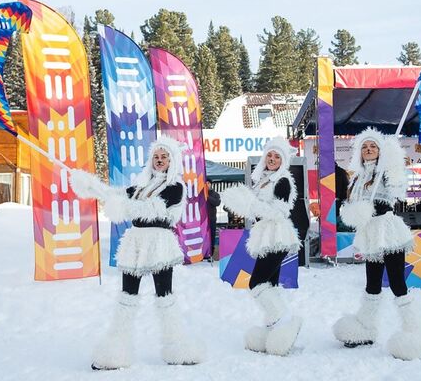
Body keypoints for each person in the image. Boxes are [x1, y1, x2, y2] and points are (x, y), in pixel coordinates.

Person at [69, 135, 203, 369]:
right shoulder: (142, 186)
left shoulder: (176, 186)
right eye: (156, 157)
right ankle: (115, 352)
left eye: (164, 157)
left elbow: (153, 210)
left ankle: (178, 347)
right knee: (126, 297)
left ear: (172, 160)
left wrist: (123, 207)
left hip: (160, 244)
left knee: (165, 297)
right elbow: (117, 195)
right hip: (135, 244)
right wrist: (91, 186)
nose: (159, 160)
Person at [332, 128, 421, 360]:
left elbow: (398, 190)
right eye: (365, 147)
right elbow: (351, 204)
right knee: (372, 283)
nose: (368, 150)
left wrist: (393, 164)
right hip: (370, 234)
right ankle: (365, 327)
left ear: (379, 150)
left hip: (388, 230)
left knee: (397, 282)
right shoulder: (357, 177)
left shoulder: (385, 171)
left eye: (373, 146)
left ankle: (413, 333)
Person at [220, 137, 302, 356]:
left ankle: (284, 320)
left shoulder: (283, 180)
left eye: (277, 156)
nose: (272, 159)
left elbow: (279, 212)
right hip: (265, 234)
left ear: (283, 161)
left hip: (277, 234)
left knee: (256, 283)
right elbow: (255, 210)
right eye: (270, 155)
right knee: (269, 283)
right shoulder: (262, 180)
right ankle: (273, 328)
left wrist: (250, 203)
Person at [205, 181, 221, 259]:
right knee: (204, 236)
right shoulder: (200, 193)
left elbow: (217, 203)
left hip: (211, 218)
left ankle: (211, 253)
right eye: (206, 183)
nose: (207, 184)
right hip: (202, 219)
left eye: (208, 183)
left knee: (212, 235)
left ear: (211, 184)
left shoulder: (215, 194)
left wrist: (207, 197)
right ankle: (204, 252)